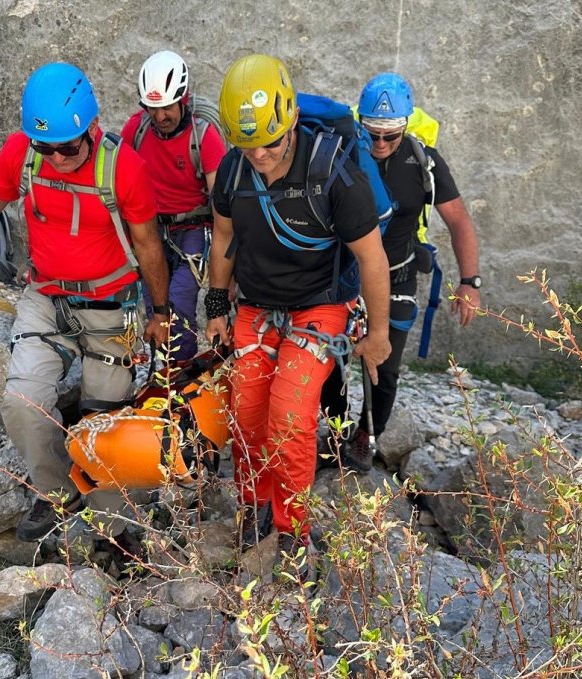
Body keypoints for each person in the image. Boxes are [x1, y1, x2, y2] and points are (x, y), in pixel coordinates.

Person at [0, 63, 170, 553]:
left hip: (112, 305)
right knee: (22, 402)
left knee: (106, 420)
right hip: (46, 295)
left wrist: (159, 312)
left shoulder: (123, 167)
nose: (57, 157)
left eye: (68, 146)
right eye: (46, 147)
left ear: (91, 130)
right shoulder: (23, 154)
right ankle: (56, 493)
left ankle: (112, 530)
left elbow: (148, 247)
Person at [205, 54, 391, 564]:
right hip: (257, 304)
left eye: (269, 140)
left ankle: (292, 530)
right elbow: (223, 235)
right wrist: (217, 303)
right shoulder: (233, 169)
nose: (259, 154)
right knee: (245, 411)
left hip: (321, 306)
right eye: (248, 144)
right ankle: (254, 503)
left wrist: (378, 335)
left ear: (289, 123)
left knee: (289, 417)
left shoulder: (335, 175)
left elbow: (372, 260)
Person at [321, 72, 481, 472]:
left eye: (389, 136)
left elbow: (459, 221)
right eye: (371, 133)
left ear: (406, 125)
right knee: (330, 361)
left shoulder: (422, 160)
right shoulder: (340, 153)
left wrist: (469, 282)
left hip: (398, 272)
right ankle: (336, 430)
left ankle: (365, 437)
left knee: (383, 364)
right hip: (345, 274)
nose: (379, 144)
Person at [120, 50, 227, 363]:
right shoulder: (136, 131)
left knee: (178, 302)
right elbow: (118, 184)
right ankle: (161, 370)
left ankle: (177, 377)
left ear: (184, 98)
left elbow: (222, 205)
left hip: (194, 230)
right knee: (154, 305)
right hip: (149, 228)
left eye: (166, 107)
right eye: (152, 108)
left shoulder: (204, 137)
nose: (159, 116)